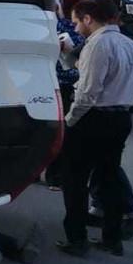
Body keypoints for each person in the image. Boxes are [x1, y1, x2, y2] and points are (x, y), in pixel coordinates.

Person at [58, 0, 133, 257]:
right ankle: (112, 239)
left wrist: (69, 122)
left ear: (88, 19)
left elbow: (87, 93)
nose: (75, 29)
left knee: (74, 181)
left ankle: (77, 239)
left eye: (76, 22)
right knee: (109, 179)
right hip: (121, 119)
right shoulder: (131, 44)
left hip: (93, 120)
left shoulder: (97, 45)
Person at [45, 11, 84, 188]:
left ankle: (50, 174)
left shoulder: (42, 26)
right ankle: (55, 176)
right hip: (64, 85)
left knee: (50, 131)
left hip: (48, 84)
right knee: (61, 131)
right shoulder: (71, 28)